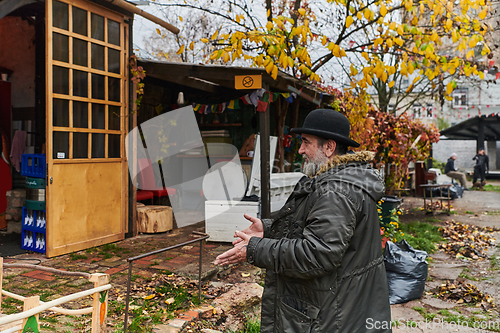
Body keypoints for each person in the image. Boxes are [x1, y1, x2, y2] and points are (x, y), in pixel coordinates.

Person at [214, 109, 392, 332]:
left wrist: (255, 249)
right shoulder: (337, 182)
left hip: (330, 315)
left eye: (306, 142)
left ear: (329, 147)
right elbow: (313, 229)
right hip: (340, 306)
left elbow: (317, 254)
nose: (300, 150)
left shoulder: (335, 192)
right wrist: (268, 230)